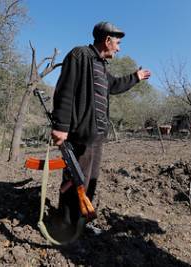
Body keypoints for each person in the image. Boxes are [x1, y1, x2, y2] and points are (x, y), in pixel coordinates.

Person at [51, 21, 151, 231]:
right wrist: (60, 125)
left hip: (97, 138)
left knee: (91, 180)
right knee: (75, 181)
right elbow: (65, 91)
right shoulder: (79, 55)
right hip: (80, 135)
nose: (119, 48)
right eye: (118, 43)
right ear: (107, 41)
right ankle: (66, 224)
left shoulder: (101, 66)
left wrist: (136, 77)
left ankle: (80, 220)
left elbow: (114, 86)